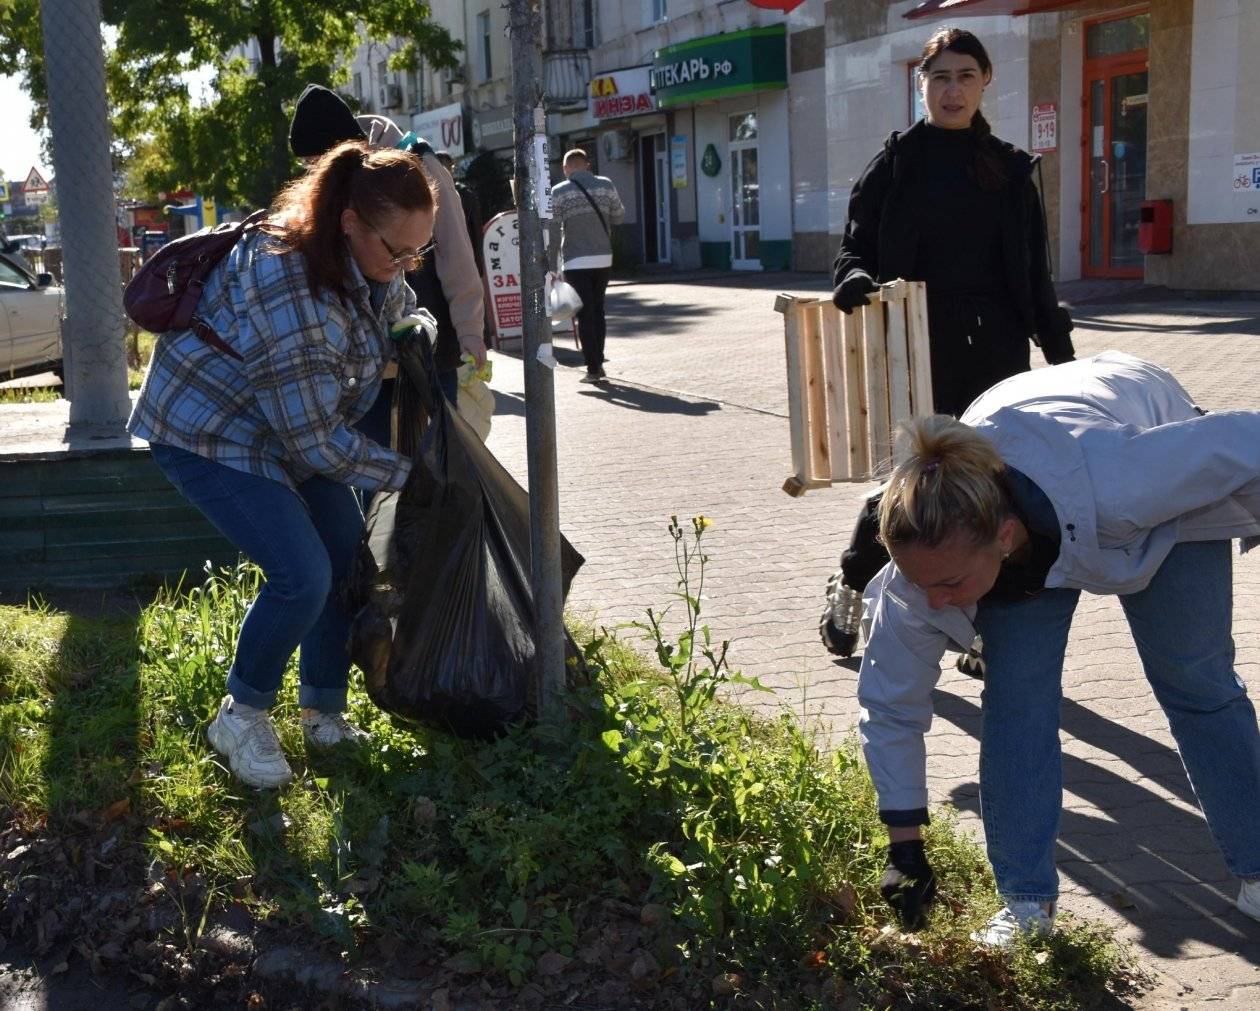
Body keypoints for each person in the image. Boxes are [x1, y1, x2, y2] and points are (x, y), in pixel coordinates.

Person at [856, 351, 1260, 946]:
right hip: (1026, 444)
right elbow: (890, 703)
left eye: (948, 587)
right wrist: (905, 845)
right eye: (922, 585)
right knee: (1017, 703)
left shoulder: (1128, 478)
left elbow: (1245, 437)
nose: (937, 605)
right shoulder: (928, 569)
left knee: (1195, 682)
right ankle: (1025, 905)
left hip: (1135, 433)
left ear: (1005, 536)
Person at [127, 141, 436, 789]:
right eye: (397, 251)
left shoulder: (372, 258)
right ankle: (241, 713)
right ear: (349, 219)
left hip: (291, 424)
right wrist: (415, 476)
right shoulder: (286, 278)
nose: (406, 264)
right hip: (211, 430)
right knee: (301, 574)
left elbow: (399, 313)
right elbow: (318, 443)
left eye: (419, 253)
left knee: (345, 557)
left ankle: (322, 710)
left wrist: (419, 331)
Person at [821, 26, 1076, 657]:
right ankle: (853, 585)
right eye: (940, 77)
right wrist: (854, 277)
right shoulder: (896, 163)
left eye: (965, 76)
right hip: (913, 343)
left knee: (991, 487)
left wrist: (1060, 355)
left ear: (986, 81)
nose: (952, 89)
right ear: (922, 84)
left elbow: (1033, 270)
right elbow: (854, 246)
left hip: (997, 351)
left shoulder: (1012, 170)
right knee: (907, 483)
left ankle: (979, 627)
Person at [288, 86, 486, 407]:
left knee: (434, 443)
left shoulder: (417, 162)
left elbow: (456, 250)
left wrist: (470, 329)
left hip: (426, 340)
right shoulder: (339, 176)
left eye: (317, 162)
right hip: (366, 355)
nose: (314, 172)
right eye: (309, 166)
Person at [548, 148, 625, 383]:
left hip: (575, 260)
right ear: (587, 165)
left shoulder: (559, 191)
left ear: (566, 168)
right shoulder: (606, 184)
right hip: (604, 258)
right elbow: (619, 216)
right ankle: (598, 361)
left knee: (585, 313)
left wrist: (552, 263)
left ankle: (593, 368)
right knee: (598, 310)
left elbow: (552, 229)